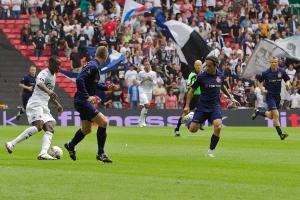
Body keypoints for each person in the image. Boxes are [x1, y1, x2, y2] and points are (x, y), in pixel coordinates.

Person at [64, 46, 118, 163]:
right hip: (82, 101)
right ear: (106, 57)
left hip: (80, 101)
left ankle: (71, 145)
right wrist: (87, 96)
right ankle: (101, 153)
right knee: (103, 122)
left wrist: (107, 88)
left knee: (86, 130)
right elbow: (79, 80)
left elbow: (94, 84)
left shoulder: (93, 65)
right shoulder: (93, 66)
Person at [5, 56, 63, 160]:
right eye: (57, 65)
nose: (59, 67)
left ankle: (43, 153)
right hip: (35, 103)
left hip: (43, 105)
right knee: (39, 126)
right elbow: (40, 84)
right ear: (51, 64)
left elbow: (48, 94)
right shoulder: (44, 73)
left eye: (60, 65)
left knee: (49, 128)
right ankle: (11, 143)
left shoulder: (54, 76)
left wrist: (57, 104)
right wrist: (49, 91)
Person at [183, 56, 239, 157]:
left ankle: (210, 151)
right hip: (202, 106)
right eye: (206, 65)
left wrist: (231, 97)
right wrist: (187, 105)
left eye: (209, 66)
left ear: (215, 65)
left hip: (214, 107)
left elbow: (222, 86)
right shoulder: (201, 76)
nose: (206, 67)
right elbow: (191, 90)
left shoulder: (220, 75)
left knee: (218, 126)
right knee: (193, 130)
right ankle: (191, 117)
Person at [252, 57, 291, 140]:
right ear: (270, 62)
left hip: (278, 96)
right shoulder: (266, 73)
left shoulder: (281, 71)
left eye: (275, 62)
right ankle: (281, 134)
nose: (274, 63)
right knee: (276, 114)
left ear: (278, 62)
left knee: (271, 116)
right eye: (272, 62)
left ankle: (258, 112)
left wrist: (287, 84)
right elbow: (258, 81)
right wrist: (262, 88)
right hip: (269, 96)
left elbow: (287, 80)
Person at [174, 60, 203, 137]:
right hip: (191, 96)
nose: (198, 67)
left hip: (199, 96)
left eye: (199, 65)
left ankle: (198, 124)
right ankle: (177, 128)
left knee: (202, 111)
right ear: (194, 66)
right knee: (185, 112)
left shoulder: (202, 74)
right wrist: (196, 83)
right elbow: (188, 86)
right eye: (197, 65)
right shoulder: (192, 75)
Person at [137, 60, 157, 127]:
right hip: (142, 90)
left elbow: (155, 83)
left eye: (148, 64)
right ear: (144, 66)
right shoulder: (141, 73)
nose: (147, 66)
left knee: (146, 108)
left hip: (149, 91)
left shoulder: (153, 73)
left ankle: (142, 121)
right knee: (146, 104)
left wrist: (151, 79)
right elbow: (137, 82)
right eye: (146, 64)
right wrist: (144, 80)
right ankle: (141, 121)